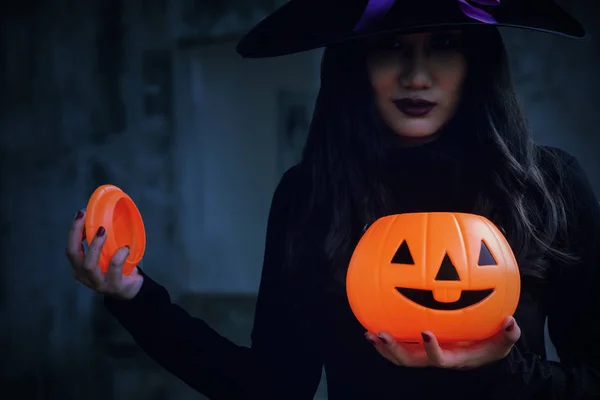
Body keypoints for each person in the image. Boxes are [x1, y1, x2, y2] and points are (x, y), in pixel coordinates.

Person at [65, 0, 600, 398]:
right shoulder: (311, 195)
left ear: (477, 61)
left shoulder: (548, 185)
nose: (416, 75)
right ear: (354, 63)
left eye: (444, 44)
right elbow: (272, 388)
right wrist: (135, 298)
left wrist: (496, 366)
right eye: (390, 46)